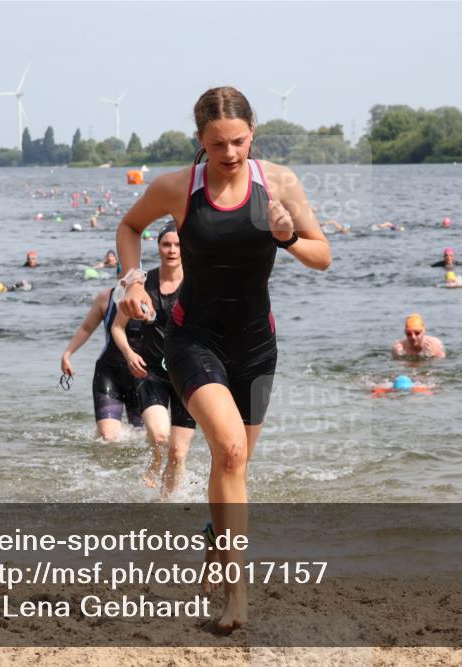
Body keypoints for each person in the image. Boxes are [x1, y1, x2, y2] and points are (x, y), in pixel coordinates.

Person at [116, 86, 331, 630]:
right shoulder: (177, 188)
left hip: (257, 346)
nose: (230, 153)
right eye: (217, 145)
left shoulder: (279, 183)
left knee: (235, 465)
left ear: (252, 133)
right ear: (200, 142)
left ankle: (216, 537)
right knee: (230, 453)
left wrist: (285, 236)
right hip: (193, 340)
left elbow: (322, 256)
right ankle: (237, 600)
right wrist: (131, 280)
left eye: (238, 141)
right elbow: (129, 227)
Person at [112, 224, 196, 498]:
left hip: (187, 374)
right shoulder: (142, 284)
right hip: (151, 373)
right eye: (166, 245)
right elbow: (117, 327)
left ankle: (164, 504)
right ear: (158, 247)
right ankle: (155, 457)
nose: (172, 250)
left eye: (177, 245)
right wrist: (129, 353)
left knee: (179, 453)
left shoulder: (196, 283)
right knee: (160, 437)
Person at [61, 288, 144, 441]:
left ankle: (139, 466)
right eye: (121, 269)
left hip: (143, 376)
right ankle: (106, 465)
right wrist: (67, 354)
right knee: (108, 436)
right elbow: (86, 328)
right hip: (109, 373)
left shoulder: (150, 295)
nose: (125, 274)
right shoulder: (106, 297)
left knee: (145, 437)